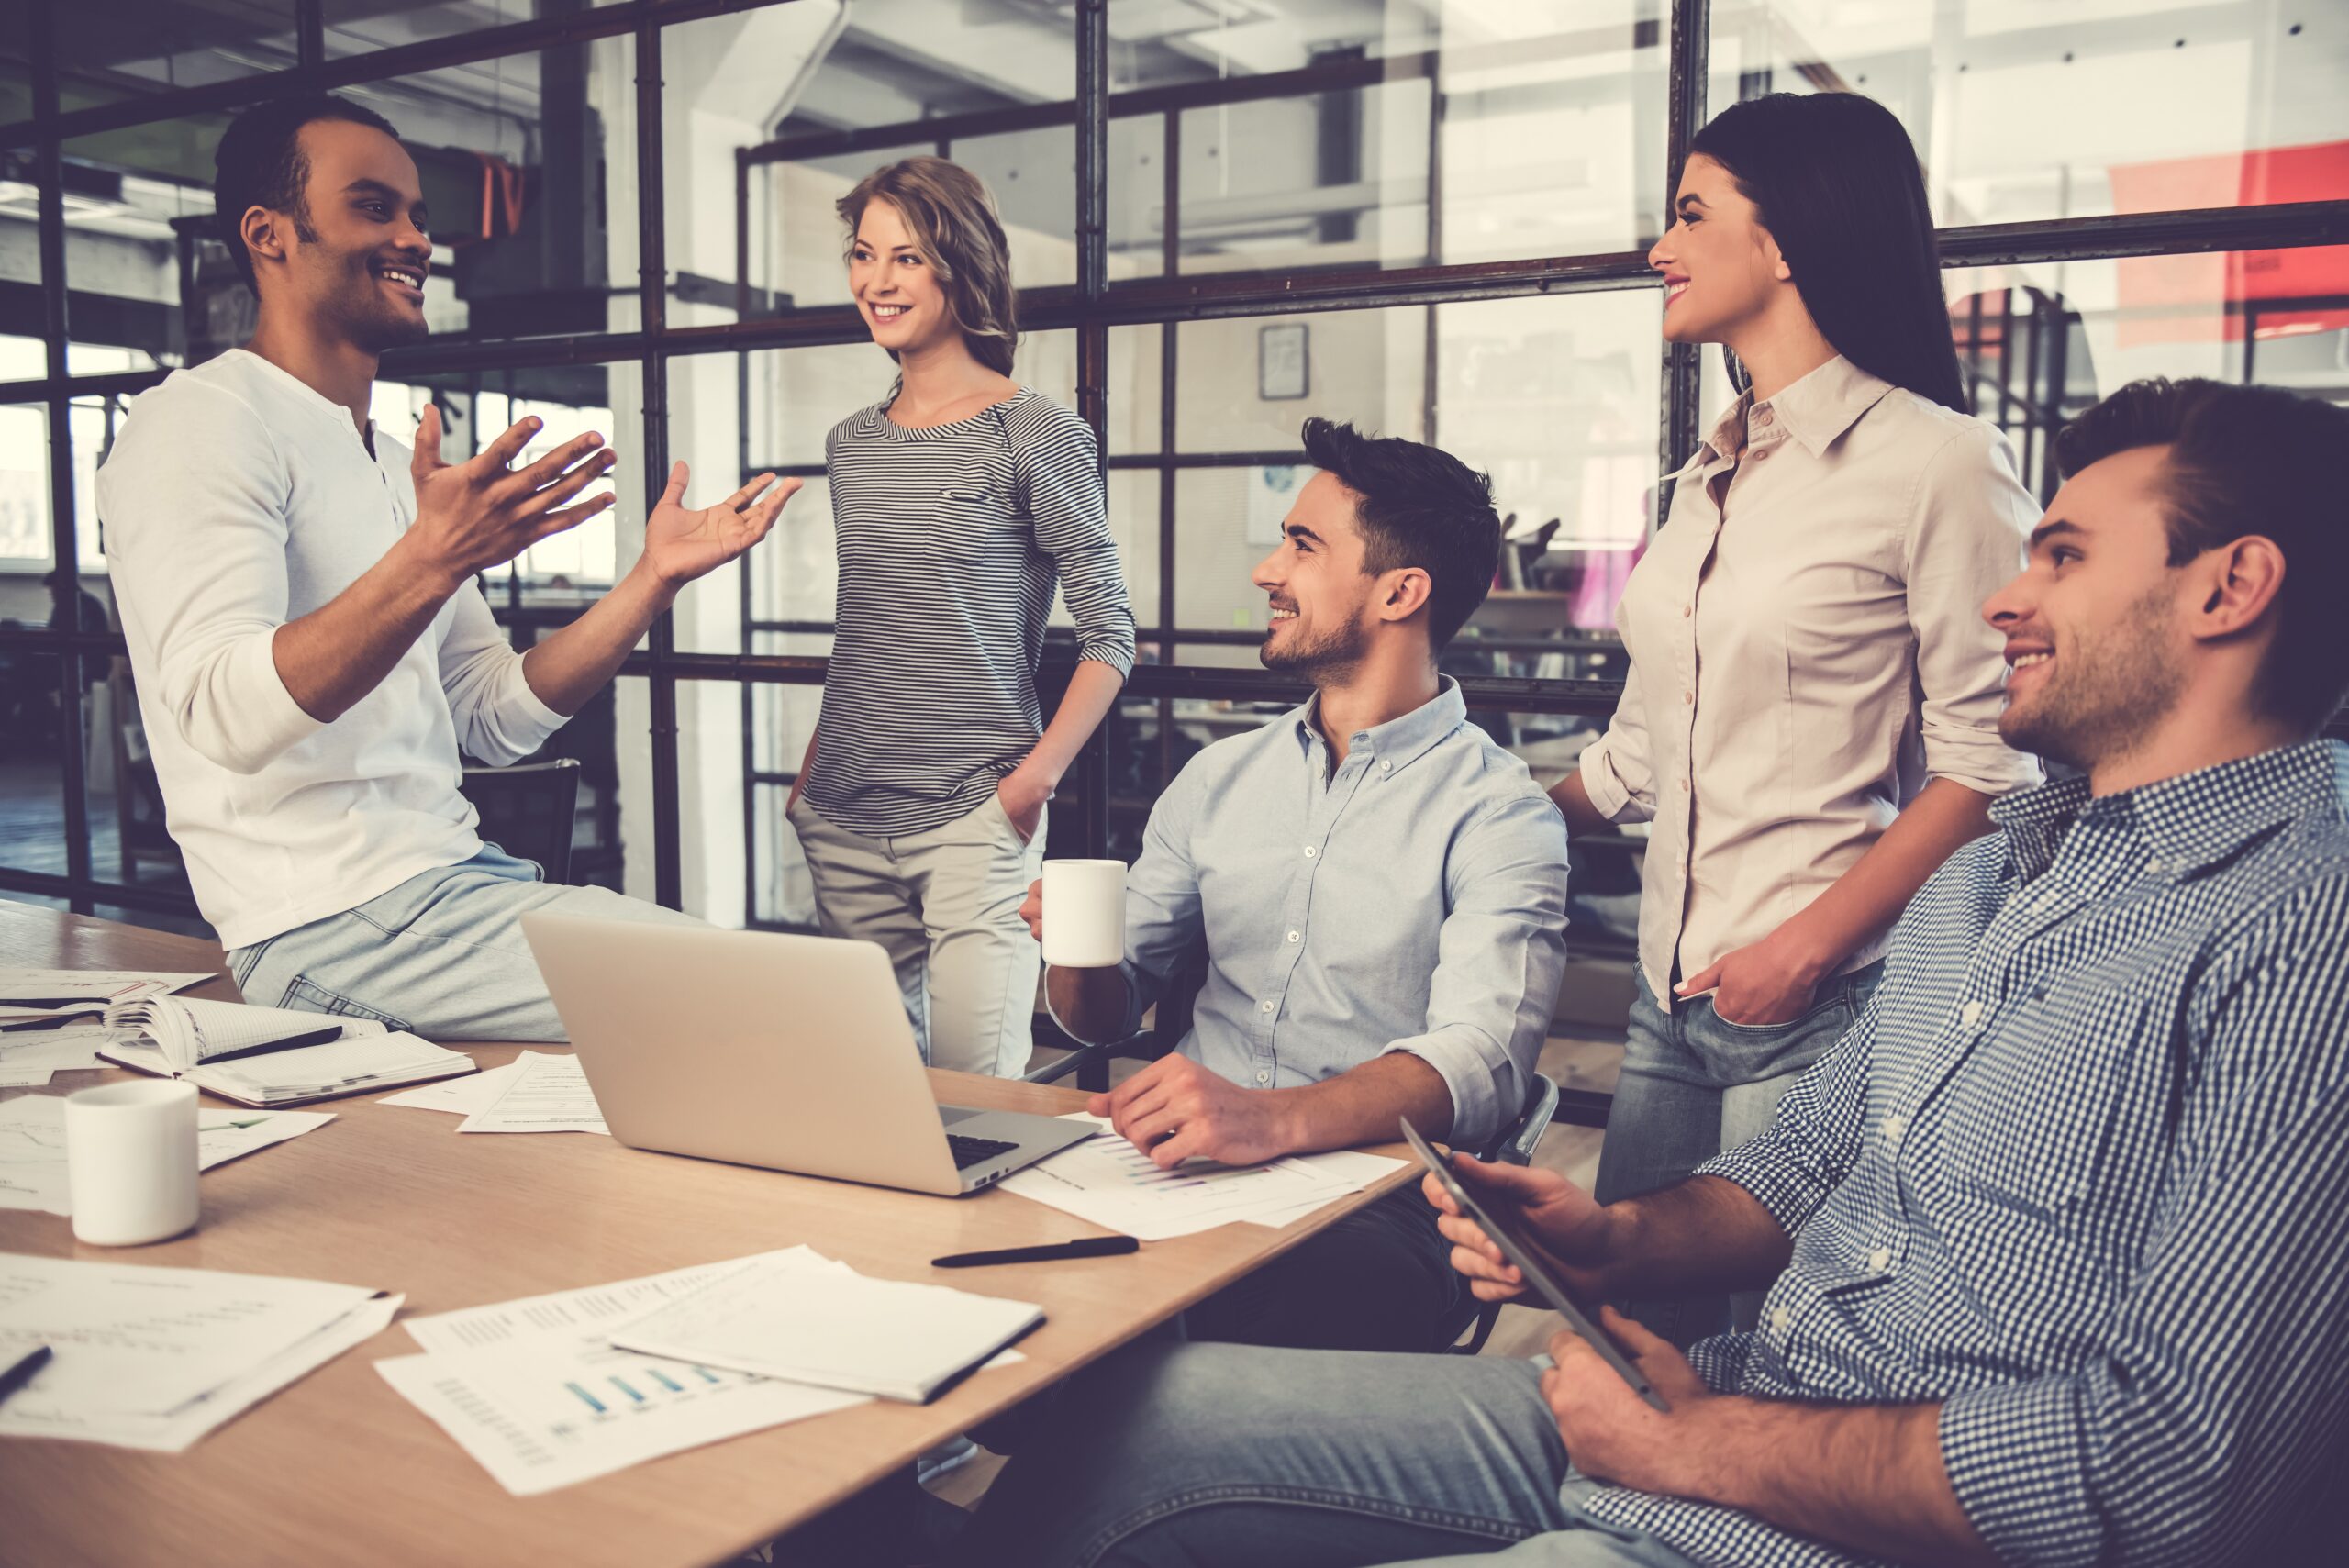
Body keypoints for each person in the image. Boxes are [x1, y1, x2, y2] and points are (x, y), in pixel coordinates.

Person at [940, 376, 2349, 1568]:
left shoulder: (2301, 927)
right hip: (1717, 1409)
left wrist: (1710, 1441)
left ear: (2232, 586)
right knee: (1140, 1417)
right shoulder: (1990, 873)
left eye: (2060, 556)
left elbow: (2170, 1465)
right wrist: (1607, 1241)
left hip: (1810, 1502)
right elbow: (1791, 1175)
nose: (2002, 600)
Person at [96, 95, 796, 1040]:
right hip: (331, 923)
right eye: (375, 208)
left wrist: (649, 581)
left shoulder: (387, 460)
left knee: (778, 1011)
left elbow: (493, 718)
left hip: (451, 883)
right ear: (270, 235)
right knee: (779, 1002)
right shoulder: (201, 422)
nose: (418, 238)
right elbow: (222, 713)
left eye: (419, 214)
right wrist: (430, 559)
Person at [1552, 93, 2043, 1345]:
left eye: (1690, 213)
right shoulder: (1713, 474)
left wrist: (1808, 948)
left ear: (1784, 242)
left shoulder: (1937, 462)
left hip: (1818, 1000)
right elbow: (1640, 754)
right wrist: (1449, 808)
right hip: (1669, 992)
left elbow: (1996, 769)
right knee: (1628, 1341)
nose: (1660, 248)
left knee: (1761, 1360)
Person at [1028, 417, 1570, 1353]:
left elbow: (1482, 1059)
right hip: (1173, 1168)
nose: (1265, 570)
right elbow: (1105, 1015)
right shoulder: (1218, 778)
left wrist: (1267, 1119)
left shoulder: (1501, 813)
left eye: (1302, 544)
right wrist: (1078, 952)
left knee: (1216, 1326)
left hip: (1374, 1197)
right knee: (987, 1266)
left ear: (1401, 590)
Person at [784, 157, 1135, 1078]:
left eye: (907, 256)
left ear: (960, 265)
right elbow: (872, 619)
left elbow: (1110, 635)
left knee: (977, 1103)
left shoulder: (1037, 433)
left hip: (973, 819)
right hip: (843, 816)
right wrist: (813, 771)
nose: (877, 280)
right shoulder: (850, 444)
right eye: (864, 255)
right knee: (870, 1100)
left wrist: (1029, 784)